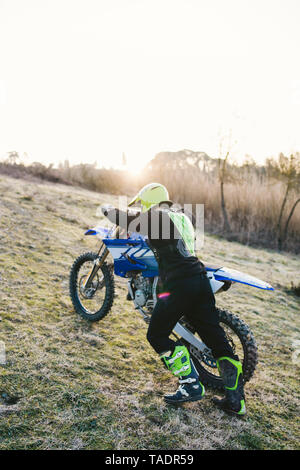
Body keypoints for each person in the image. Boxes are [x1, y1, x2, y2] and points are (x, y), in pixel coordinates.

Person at [102, 183, 246, 416]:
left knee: (157, 334)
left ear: (148, 202)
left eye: (142, 204)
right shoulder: (181, 217)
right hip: (199, 278)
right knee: (216, 339)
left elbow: (128, 221)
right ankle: (236, 401)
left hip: (179, 284)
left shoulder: (158, 217)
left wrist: (107, 210)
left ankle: (190, 385)